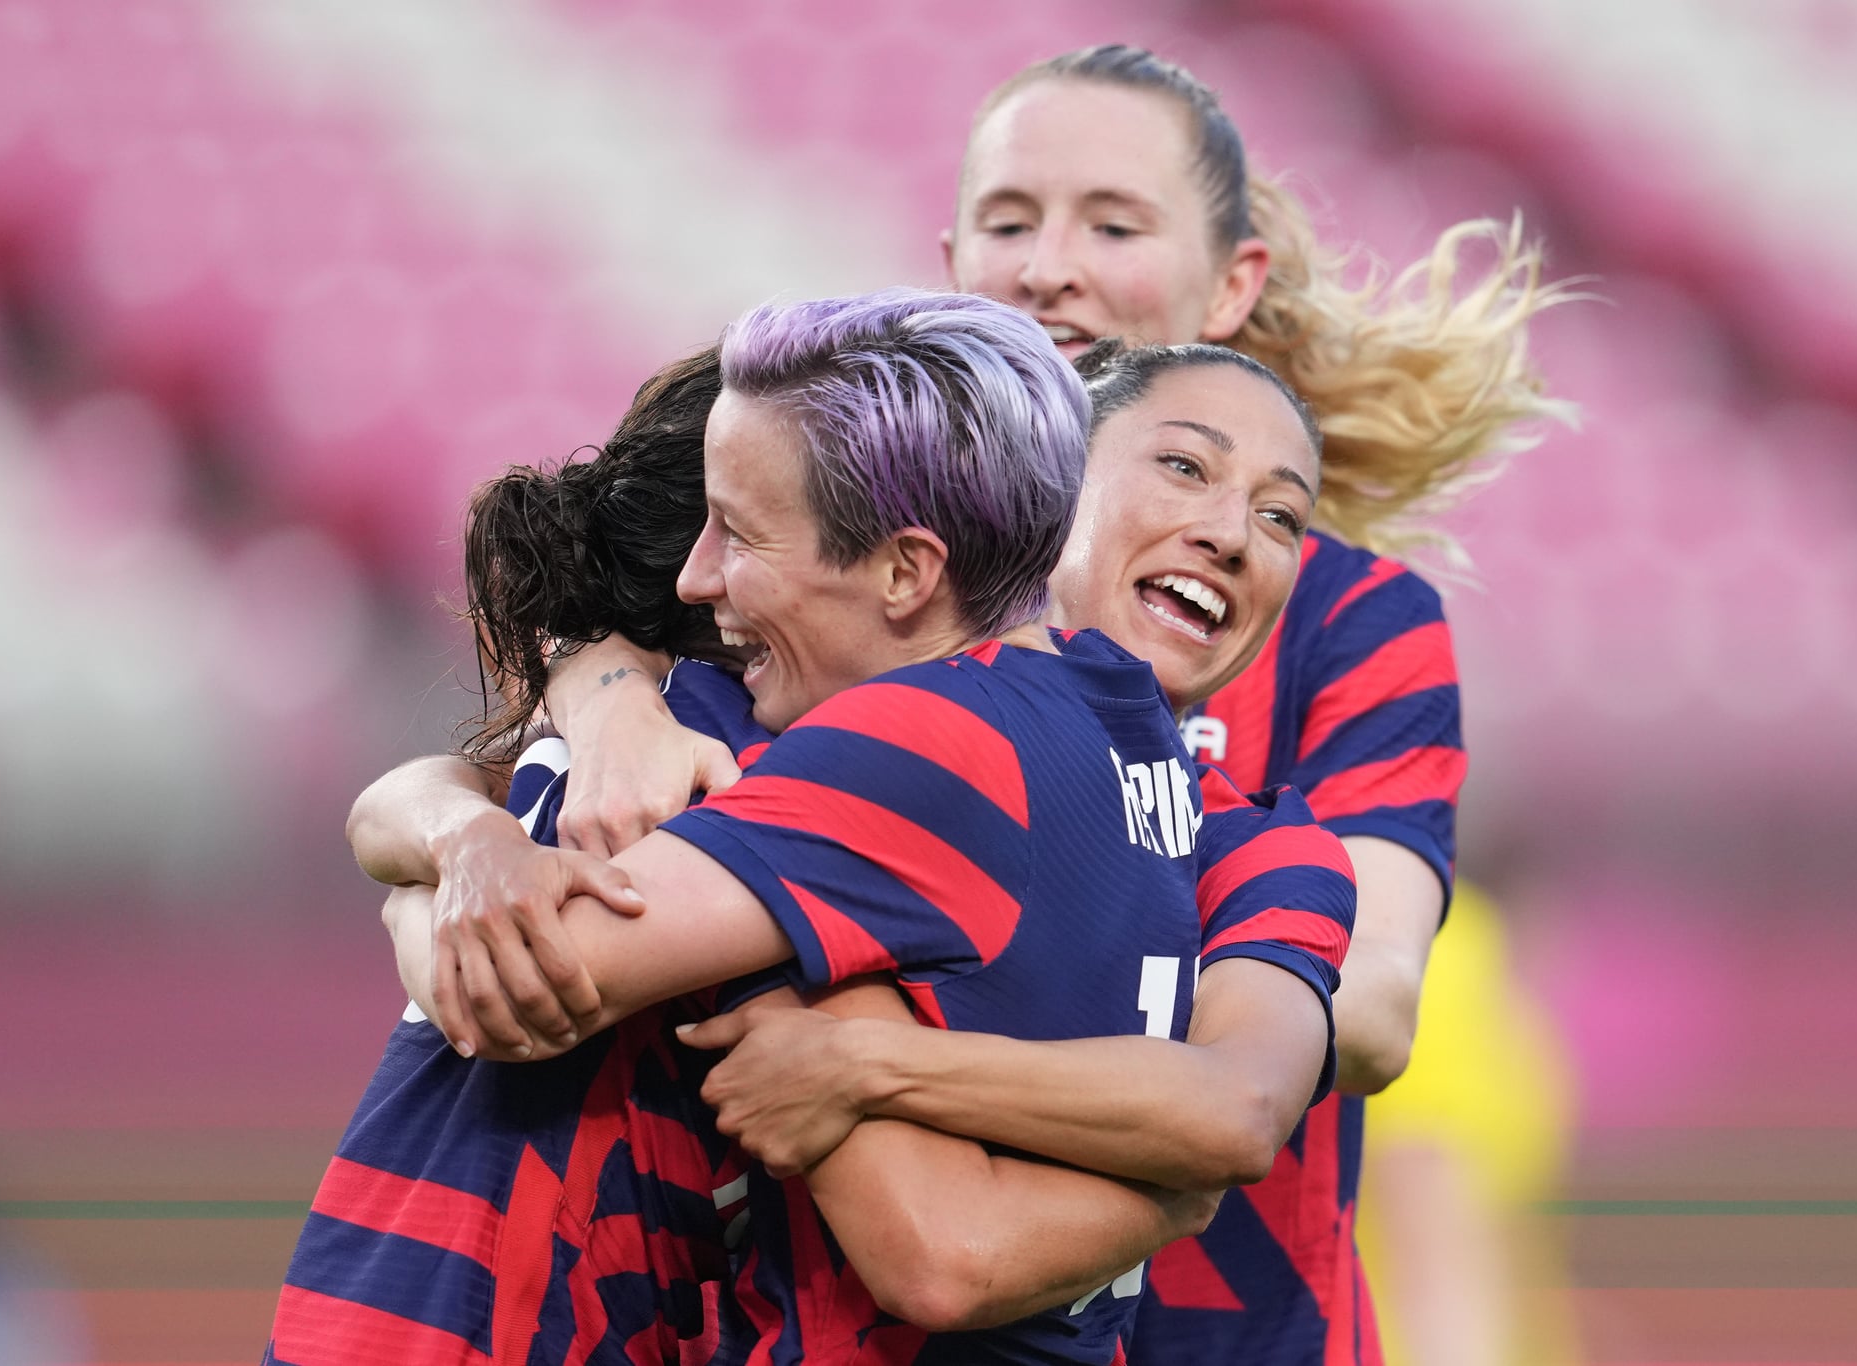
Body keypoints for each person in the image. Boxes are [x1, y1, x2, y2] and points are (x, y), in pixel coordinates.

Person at [536, 43, 1571, 1365]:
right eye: (1010, 221)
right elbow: (587, 691)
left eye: (1113, 223)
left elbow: (1360, 1013)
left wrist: (879, 1055)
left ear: (1234, 281)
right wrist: (604, 697)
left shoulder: (1350, 617)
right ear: (953, 258)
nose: (1050, 265)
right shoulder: (875, 555)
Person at [288, 294, 1355, 1364]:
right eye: (1180, 466)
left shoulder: (896, 745)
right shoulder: (789, 736)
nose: (1225, 533)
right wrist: (472, 830)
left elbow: (1191, 1134)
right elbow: (1197, 1136)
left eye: (1280, 515)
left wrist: (864, 1063)